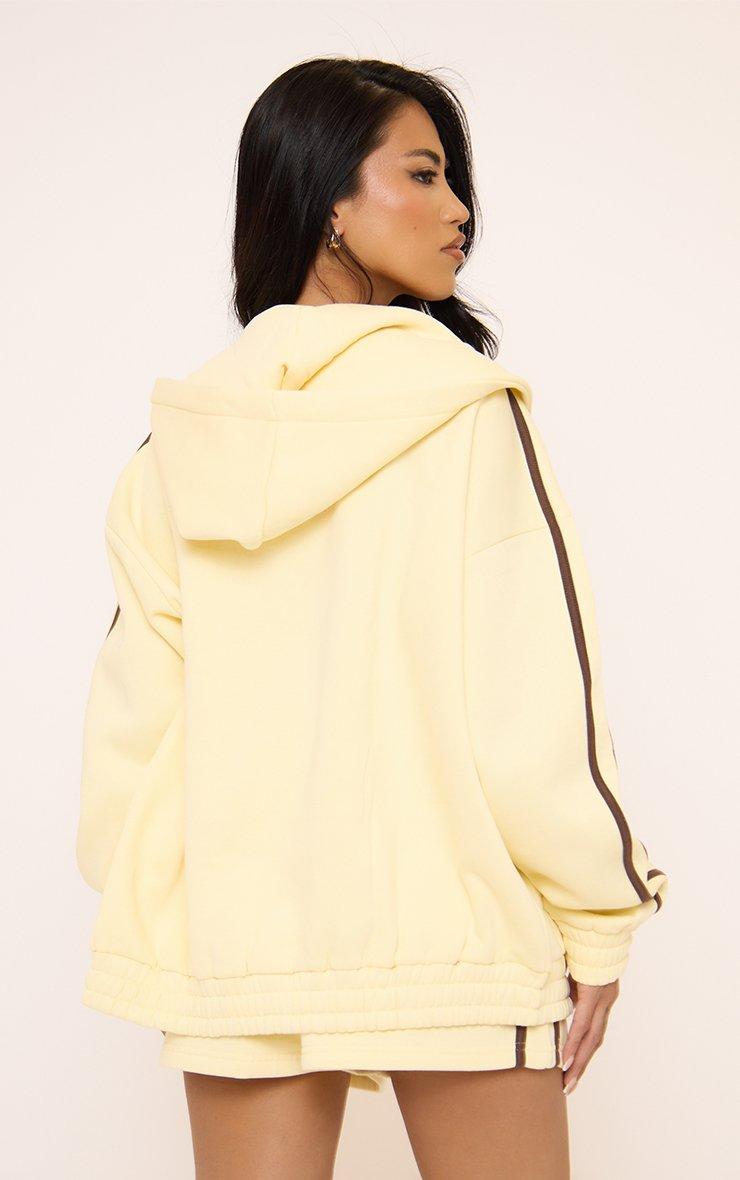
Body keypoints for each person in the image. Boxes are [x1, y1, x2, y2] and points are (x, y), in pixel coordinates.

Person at [75, 56, 669, 1179]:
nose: (460, 211)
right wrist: (601, 912)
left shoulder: (179, 444)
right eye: (424, 173)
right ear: (328, 202)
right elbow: (532, 697)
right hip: (454, 931)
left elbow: (129, 733)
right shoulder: (467, 414)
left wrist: (192, 911)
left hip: (238, 940)